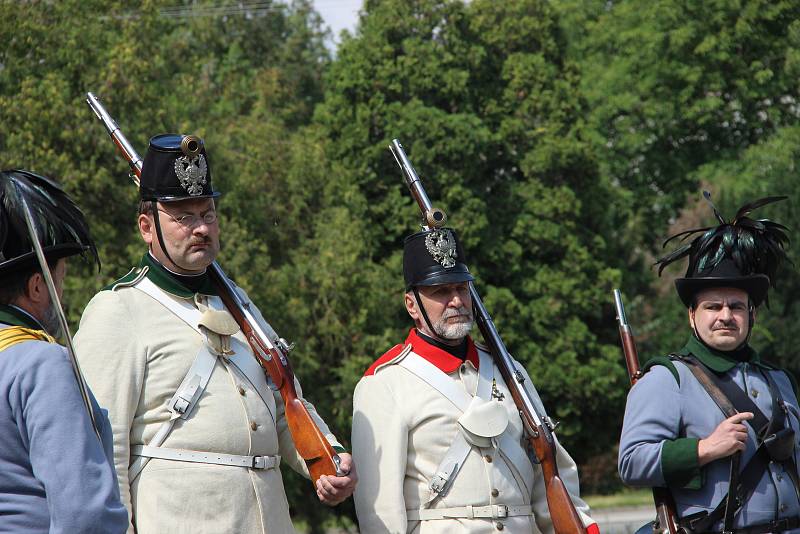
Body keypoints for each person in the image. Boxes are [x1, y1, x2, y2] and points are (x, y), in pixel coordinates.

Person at [73, 134, 356, 533]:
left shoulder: (239, 304)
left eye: (207, 213)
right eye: (183, 217)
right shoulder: (118, 309)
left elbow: (282, 405)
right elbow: (104, 449)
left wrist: (330, 455)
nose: (202, 228)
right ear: (146, 227)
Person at [352, 227, 597, 533]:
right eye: (440, 291)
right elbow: (380, 511)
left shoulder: (510, 370)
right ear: (411, 305)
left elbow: (551, 470)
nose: (456, 300)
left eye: (462, 289)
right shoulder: (384, 383)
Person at [619, 194, 800, 533]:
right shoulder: (667, 378)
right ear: (692, 316)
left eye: (736, 306)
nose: (725, 316)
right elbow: (631, 463)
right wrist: (704, 449)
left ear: (752, 314)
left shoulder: (778, 380)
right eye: (713, 307)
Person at [0, 169, 128, 533]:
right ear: (38, 285)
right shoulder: (40, 363)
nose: (62, 287)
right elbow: (85, 515)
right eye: (61, 276)